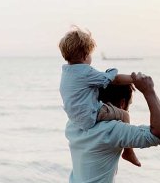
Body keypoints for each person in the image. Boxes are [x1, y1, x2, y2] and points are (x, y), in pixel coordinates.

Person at [59, 26, 142, 167]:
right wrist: (115, 71)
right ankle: (128, 152)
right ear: (85, 55)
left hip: (74, 117)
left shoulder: (66, 73)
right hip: (91, 116)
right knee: (125, 116)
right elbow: (111, 79)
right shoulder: (85, 71)